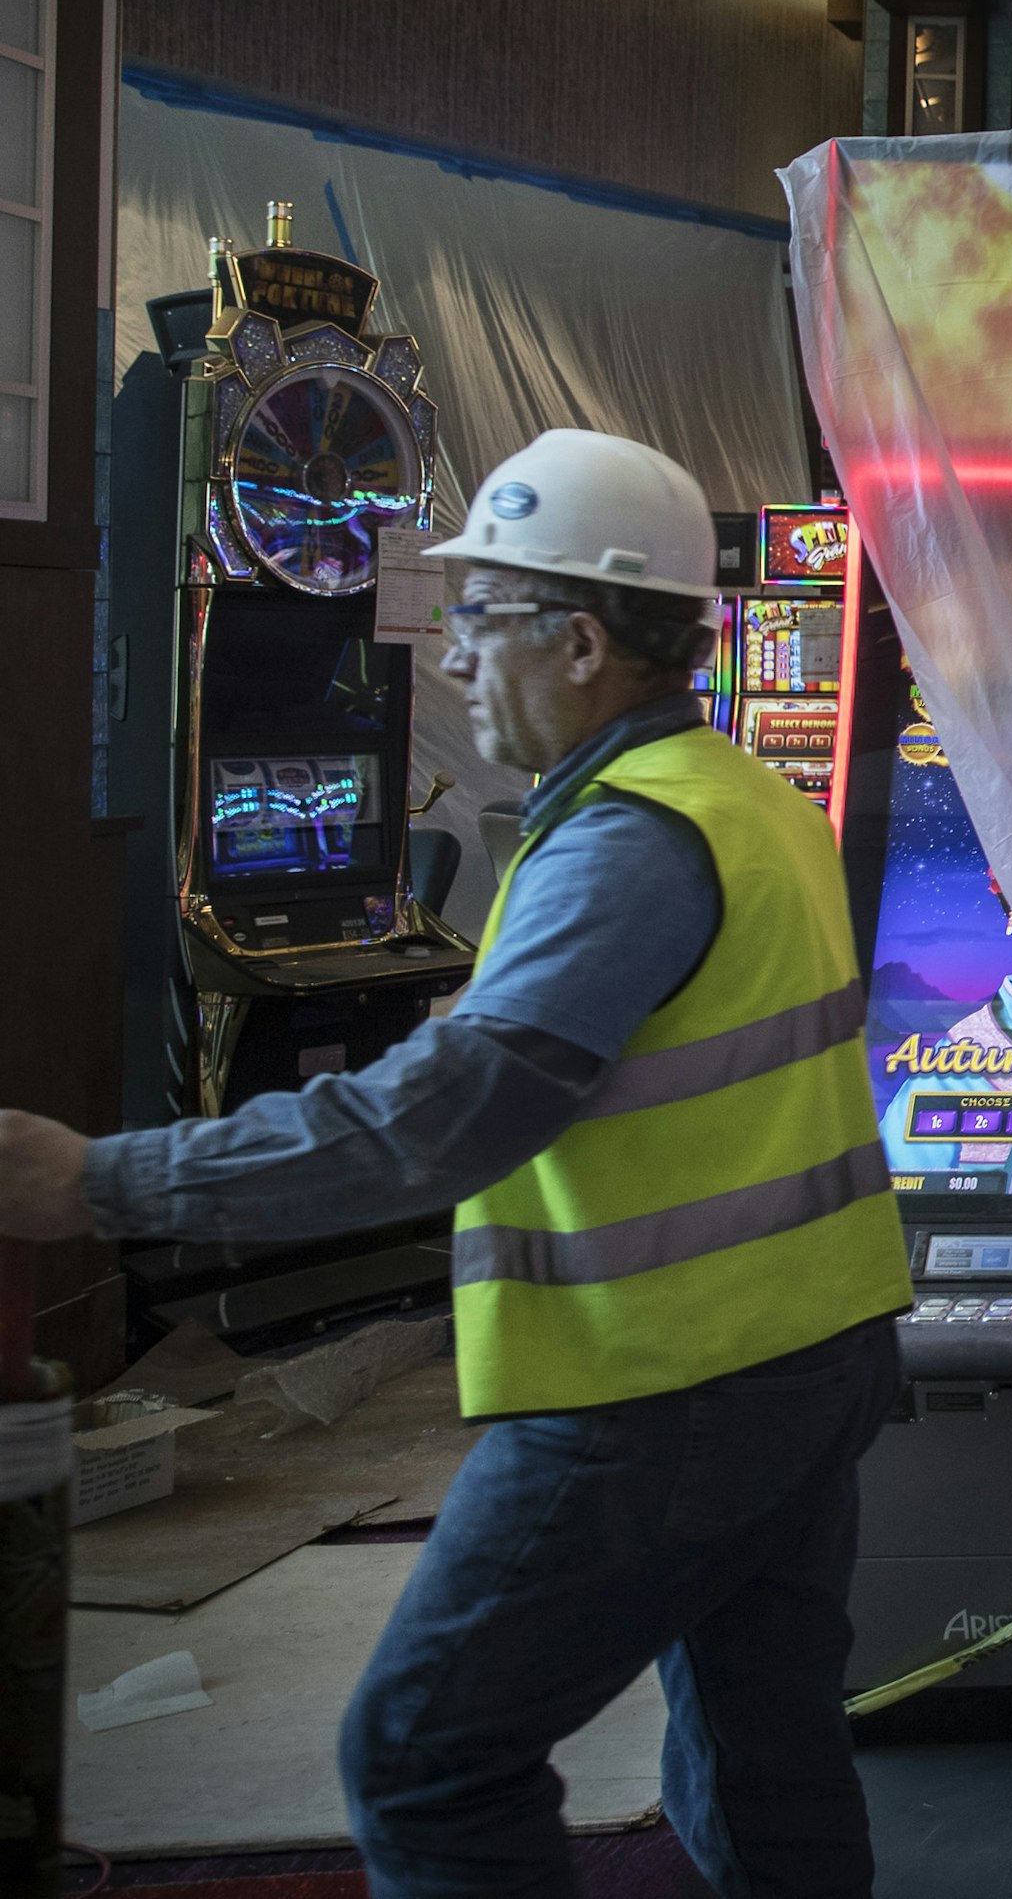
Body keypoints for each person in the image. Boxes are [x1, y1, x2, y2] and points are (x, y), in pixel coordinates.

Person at [0, 428, 910, 1899]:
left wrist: (102, 1179)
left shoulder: (628, 843)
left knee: (426, 1750)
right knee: (764, 1754)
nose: (458, 655)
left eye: (481, 613)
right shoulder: (739, 796)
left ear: (581, 636)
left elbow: (440, 1119)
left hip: (660, 1388)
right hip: (806, 1354)